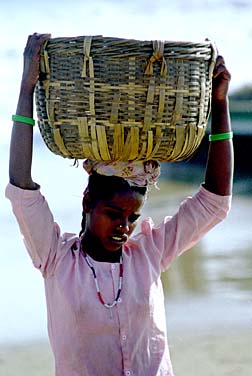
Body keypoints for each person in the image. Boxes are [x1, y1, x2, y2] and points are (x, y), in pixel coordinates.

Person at [6, 33, 233, 376]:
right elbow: (22, 189)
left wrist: (220, 104)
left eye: (132, 217)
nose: (124, 227)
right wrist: (27, 88)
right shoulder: (55, 258)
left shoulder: (149, 254)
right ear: (87, 202)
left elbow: (215, 202)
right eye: (113, 214)